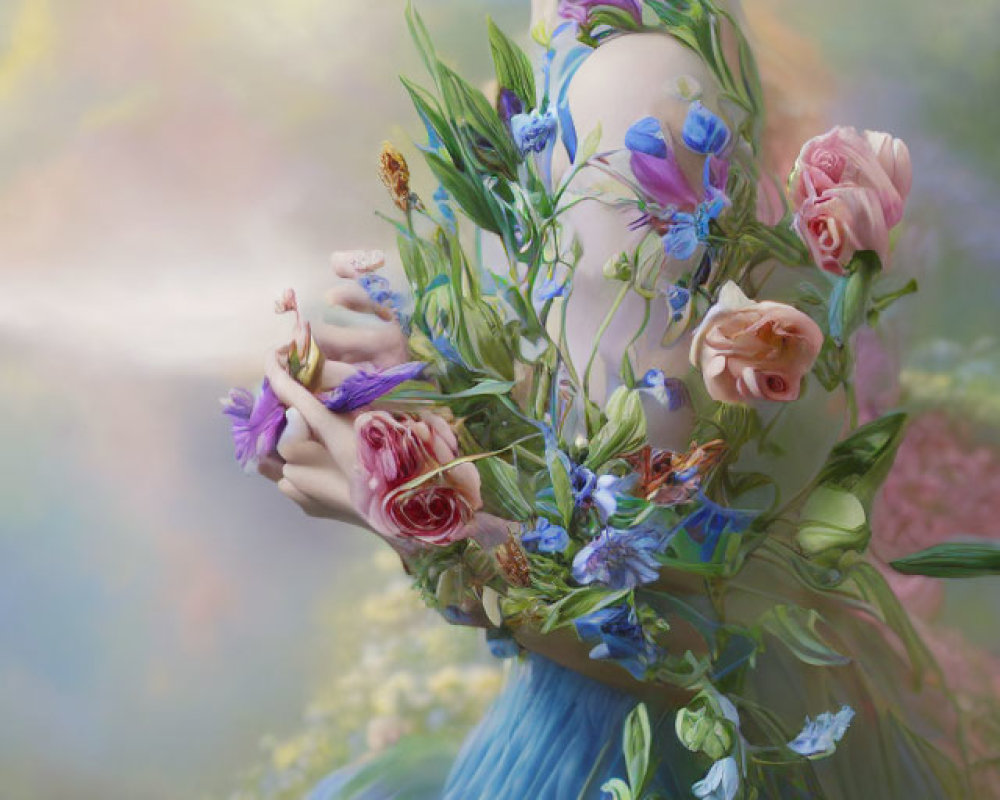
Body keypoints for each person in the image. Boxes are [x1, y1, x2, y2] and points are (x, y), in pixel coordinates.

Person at [249, 1, 976, 797]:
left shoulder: (630, 82)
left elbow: (674, 641)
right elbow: (592, 433)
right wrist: (434, 379)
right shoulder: (622, 37)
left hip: (640, 755)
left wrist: (412, 515)